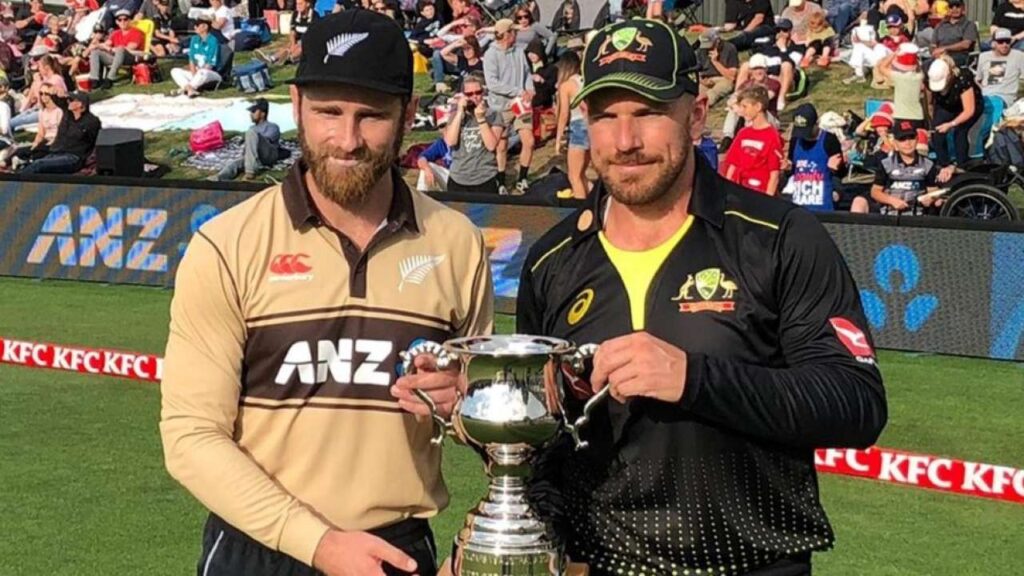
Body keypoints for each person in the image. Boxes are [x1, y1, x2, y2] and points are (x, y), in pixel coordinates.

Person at [519, 18, 886, 576]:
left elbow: (856, 404)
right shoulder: (552, 261)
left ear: (694, 117)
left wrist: (695, 379)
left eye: (647, 113)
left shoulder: (779, 237)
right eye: (605, 117)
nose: (625, 142)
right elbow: (540, 444)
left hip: (752, 565)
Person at [161, 10, 493, 576]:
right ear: (296, 106)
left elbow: (487, 423)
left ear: (408, 116)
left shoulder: (456, 242)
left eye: (371, 117)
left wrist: (468, 403)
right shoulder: (227, 243)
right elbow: (191, 436)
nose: (347, 139)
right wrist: (316, 542)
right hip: (258, 545)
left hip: (397, 549)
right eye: (328, 112)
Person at [483, 18, 535, 194]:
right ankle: (500, 180)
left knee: (529, 141)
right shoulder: (491, 55)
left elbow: (527, 73)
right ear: (505, 35)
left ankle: (522, 179)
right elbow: (492, 84)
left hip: (521, 104)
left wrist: (529, 89)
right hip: (501, 105)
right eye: (513, 31)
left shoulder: (519, 52)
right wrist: (517, 91)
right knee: (501, 145)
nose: (516, 34)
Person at [782, 103, 858, 212]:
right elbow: (794, 171)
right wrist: (788, 168)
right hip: (799, 204)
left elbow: (841, 173)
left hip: (822, 204)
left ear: (816, 124)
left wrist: (835, 168)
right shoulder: (796, 140)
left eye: (807, 131)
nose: (805, 136)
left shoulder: (829, 139)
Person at [871, 119, 954, 214]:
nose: (907, 143)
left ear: (917, 139)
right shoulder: (885, 164)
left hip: (917, 217)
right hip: (890, 216)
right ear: (895, 143)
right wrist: (892, 201)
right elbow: (875, 192)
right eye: (902, 139)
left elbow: (932, 190)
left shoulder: (928, 164)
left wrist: (931, 198)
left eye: (911, 137)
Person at [444, 72, 505, 194]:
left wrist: (481, 119)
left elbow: (491, 145)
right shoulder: (455, 116)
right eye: (469, 94)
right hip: (458, 178)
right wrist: (460, 112)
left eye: (478, 92)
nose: (475, 97)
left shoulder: (493, 115)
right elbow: (450, 141)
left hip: (484, 178)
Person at [723, 85, 784, 195]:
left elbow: (774, 174)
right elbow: (732, 165)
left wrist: (768, 200)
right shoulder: (743, 133)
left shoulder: (772, 136)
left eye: (745, 107)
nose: (741, 111)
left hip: (761, 192)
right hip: (741, 191)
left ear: (758, 107)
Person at [20, 91, 100, 174]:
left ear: (80, 104)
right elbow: (58, 100)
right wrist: (57, 93)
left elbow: (96, 141)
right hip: (56, 153)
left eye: (71, 100)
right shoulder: (67, 114)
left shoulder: (91, 121)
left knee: (38, 165)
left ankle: (17, 183)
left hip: (73, 157)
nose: (68, 101)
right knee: (31, 163)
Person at [926, 56, 982, 167]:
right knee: (937, 132)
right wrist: (932, 120)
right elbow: (930, 103)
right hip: (946, 104)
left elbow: (969, 110)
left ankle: (962, 164)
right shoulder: (929, 76)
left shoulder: (963, 79)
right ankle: (943, 164)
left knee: (960, 132)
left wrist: (951, 124)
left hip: (968, 106)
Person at [213, 98, 287, 181]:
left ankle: (250, 172)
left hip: (268, 155)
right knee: (233, 164)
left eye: (254, 111)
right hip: (254, 158)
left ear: (263, 113)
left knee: (251, 133)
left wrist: (253, 137)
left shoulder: (272, 126)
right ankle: (218, 179)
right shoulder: (252, 128)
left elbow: (267, 141)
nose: (251, 114)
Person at [554, 51, 589, 199]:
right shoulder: (585, 81)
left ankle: (582, 212)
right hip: (591, 125)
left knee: (574, 176)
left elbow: (564, 114)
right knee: (584, 173)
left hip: (578, 127)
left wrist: (558, 138)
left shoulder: (566, 86)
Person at [88, 9, 145, 90]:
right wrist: (96, 45)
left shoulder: (136, 32)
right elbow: (106, 44)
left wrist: (109, 48)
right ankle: (94, 80)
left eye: (125, 19)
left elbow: (129, 49)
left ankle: (109, 79)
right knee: (95, 52)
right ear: (116, 22)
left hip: (130, 57)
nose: (123, 22)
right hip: (116, 57)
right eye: (120, 20)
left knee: (120, 49)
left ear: (130, 20)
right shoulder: (115, 33)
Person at [169, 14, 220, 98]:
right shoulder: (194, 39)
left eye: (197, 25)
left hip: (209, 72)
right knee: (175, 71)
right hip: (196, 73)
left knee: (203, 72)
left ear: (205, 26)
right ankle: (189, 88)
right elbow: (191, 60)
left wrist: (197, 73)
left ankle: (186, 89)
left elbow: (210, 63)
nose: (194, 27)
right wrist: (194, 73)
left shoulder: (213, 41)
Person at [256, 0, 316, 65]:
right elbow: (292, 32)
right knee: (289, 45)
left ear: (308, 4)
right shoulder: (295, 14)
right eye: (297, 4)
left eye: (300, 4)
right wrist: (293, 44)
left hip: (309, 41)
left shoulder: (314, 16)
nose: (298, 6)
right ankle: (272, 58)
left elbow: (314, 36)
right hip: (298, 40)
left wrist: (299, 44)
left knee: (301, 46)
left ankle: (289, 58)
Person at [976, 28, 1024, 105]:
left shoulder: (1019, 56)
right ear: (993, 43)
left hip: (1004, 98)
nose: (1004, 45)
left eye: (1007, 41)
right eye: (1000, 42)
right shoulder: (984, 56)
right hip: (985, 96)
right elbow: (978, 79)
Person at [924, 0, 978, 67]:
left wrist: (945, 49)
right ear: (948, 9)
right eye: (951, 6)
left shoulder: (969, 25)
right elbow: (933, 44)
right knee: (924, 66)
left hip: (959, 56)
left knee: (941, 65)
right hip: (940, 56)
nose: (954, 9)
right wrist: (934, 51)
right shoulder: (940, 25)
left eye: (957, 6)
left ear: (963, 8)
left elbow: (966, 44)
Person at [696, 29, 739, 108]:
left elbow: (732, 77)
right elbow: (698, 71)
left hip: (723, 78)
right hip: (706, 79)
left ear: (717, 41)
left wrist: (715, 61)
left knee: (718, 90)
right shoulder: (700, 50)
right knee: (697, 92)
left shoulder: (729, 48)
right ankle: (698, 103)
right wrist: (702, 81)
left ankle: (705, 103)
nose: (708, 48)